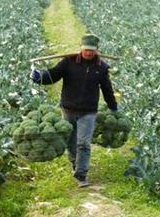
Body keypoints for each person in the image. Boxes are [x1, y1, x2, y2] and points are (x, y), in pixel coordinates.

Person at [30, 34, 118, 188]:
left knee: (84, 143)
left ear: (97, 50)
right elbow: (53, 75)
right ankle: (75, 164)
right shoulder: (68, 62)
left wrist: (113, 106)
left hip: (88, 111)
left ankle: (82, 174)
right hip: (68, 108)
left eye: (92, 51)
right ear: (81, 48)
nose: (88, 53)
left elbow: (107, 89)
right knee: (71, 142)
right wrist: (39, 77)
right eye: (86, 50)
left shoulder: (101, 67)